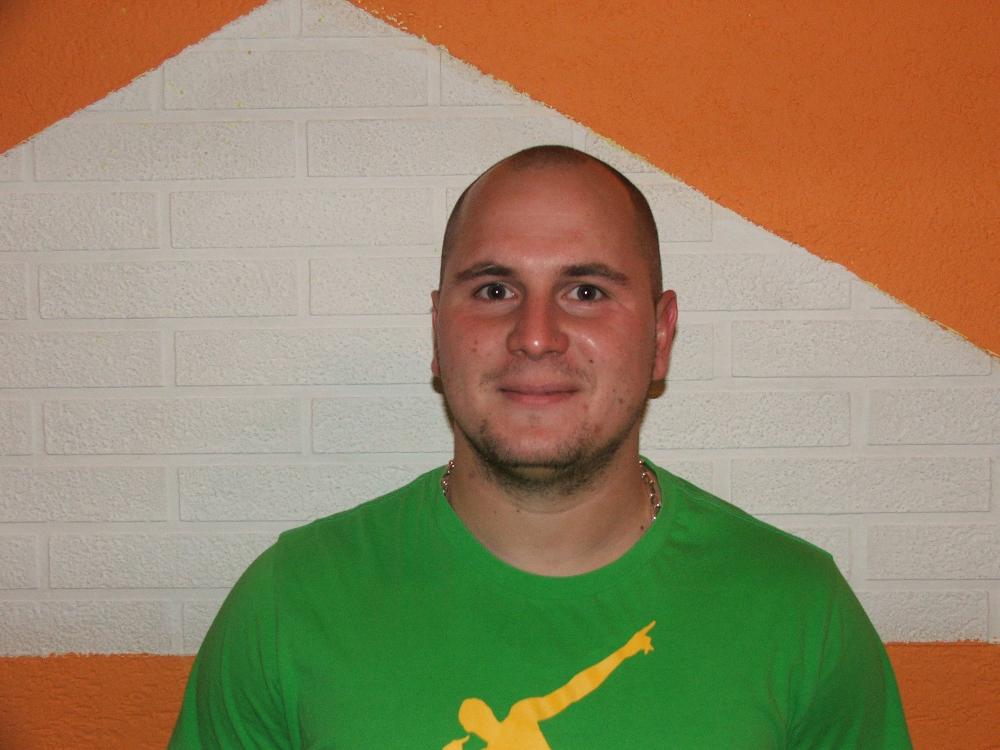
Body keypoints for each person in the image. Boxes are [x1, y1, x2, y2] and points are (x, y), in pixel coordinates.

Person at [169, 145, 912, 748]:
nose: (534, 336)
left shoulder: (799, 613)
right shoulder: (290, 605)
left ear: (660, 337)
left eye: (586, 291)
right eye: (494, 290)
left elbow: (578, 687)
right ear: (438, 333)